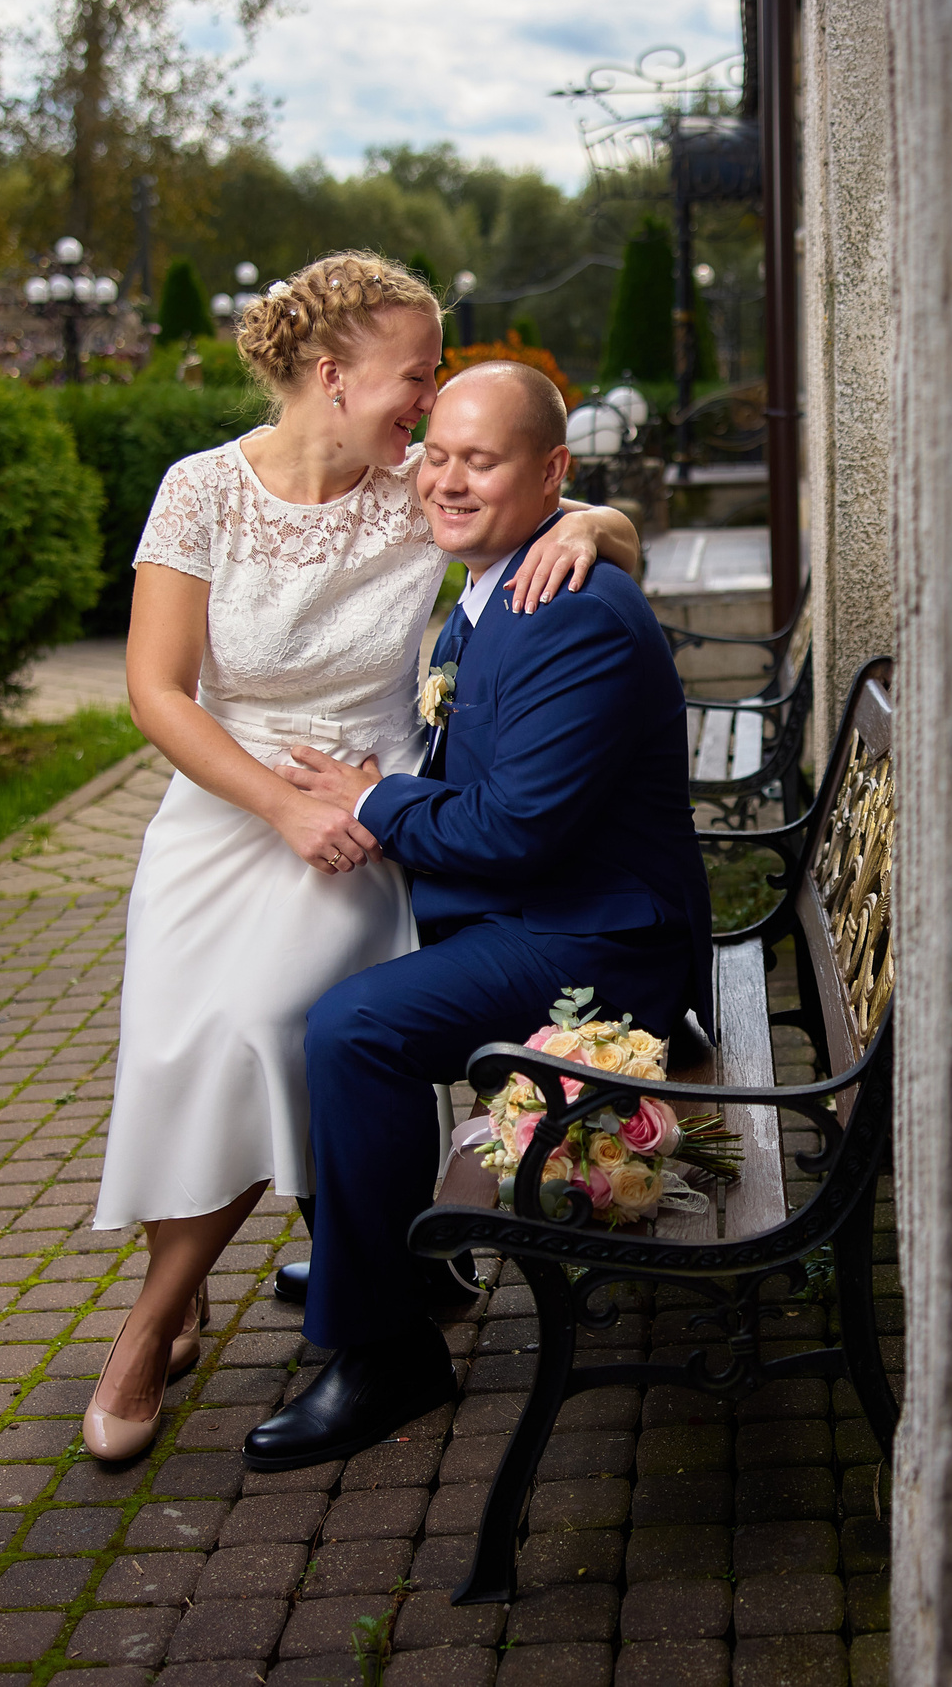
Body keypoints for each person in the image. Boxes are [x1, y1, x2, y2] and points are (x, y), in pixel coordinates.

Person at [83, 256, 643, 1462]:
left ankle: (147, 1324)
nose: (430, 402)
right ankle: (243, 1279)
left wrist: (595, 518)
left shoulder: (413, 491)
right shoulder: (199, 492)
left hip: (363, 828)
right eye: (417, 373)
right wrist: (269, 807)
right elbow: (154, 689)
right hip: (226, 809)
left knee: (272, 1032)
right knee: (180, 1048)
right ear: (334, 378)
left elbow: (544, 504)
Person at [238, 361, 712, 1470]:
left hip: (603, 944)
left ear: (551, 472)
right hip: (549, 910)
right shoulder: (495, 577)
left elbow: (513, 834)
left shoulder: (572, 614)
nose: (447, 480)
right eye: (436, 454)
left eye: (480, 460)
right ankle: (401, 1257)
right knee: (326, 979)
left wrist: (371, 801)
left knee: (355, 1028)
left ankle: (386, 1346)